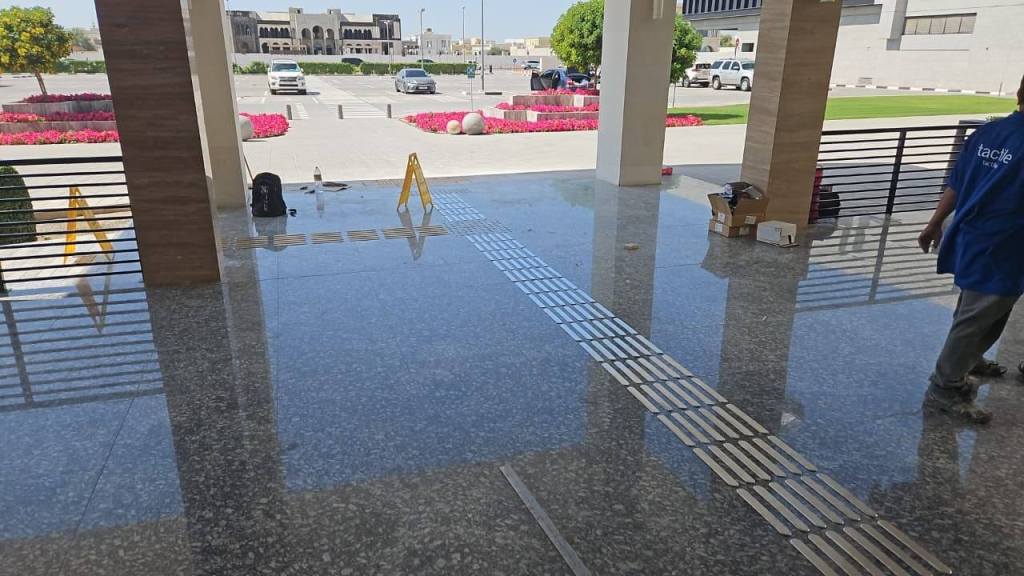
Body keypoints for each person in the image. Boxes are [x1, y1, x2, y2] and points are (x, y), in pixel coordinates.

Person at [918, 74, 1024, 424]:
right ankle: (945, 387)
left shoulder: (986, 133)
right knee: (981, 313)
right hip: (1005, 244)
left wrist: (934, 223)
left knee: (976, 308)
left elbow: (956, 183)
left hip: (972, 236)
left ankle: (971, 360)